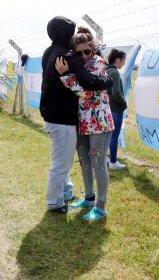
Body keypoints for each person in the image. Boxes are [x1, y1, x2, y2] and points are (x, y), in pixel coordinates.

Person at [40, 16, 113, 214]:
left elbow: (89, 91)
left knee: (96, 163)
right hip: (77, 120)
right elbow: (87, 86)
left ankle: (100, 205)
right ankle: (87, 199)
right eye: (79, 52)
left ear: (93, 49)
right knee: (82, 161)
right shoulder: (65, 56)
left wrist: (107, 82)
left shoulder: (55, 54)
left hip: (96, 122)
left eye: (86, 51)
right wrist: (104, 83)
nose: (82, 55)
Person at [106, 48, 127, 170]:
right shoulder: (114, 73)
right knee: (114, 136)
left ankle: (106, 158)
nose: (124, 63)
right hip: (115, 109)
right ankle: (113, 162)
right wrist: (124, 104)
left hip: (108, 108)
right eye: (123, 61)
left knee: (108, 136)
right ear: (118, 60)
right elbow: (116, 93)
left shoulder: (107, 70)